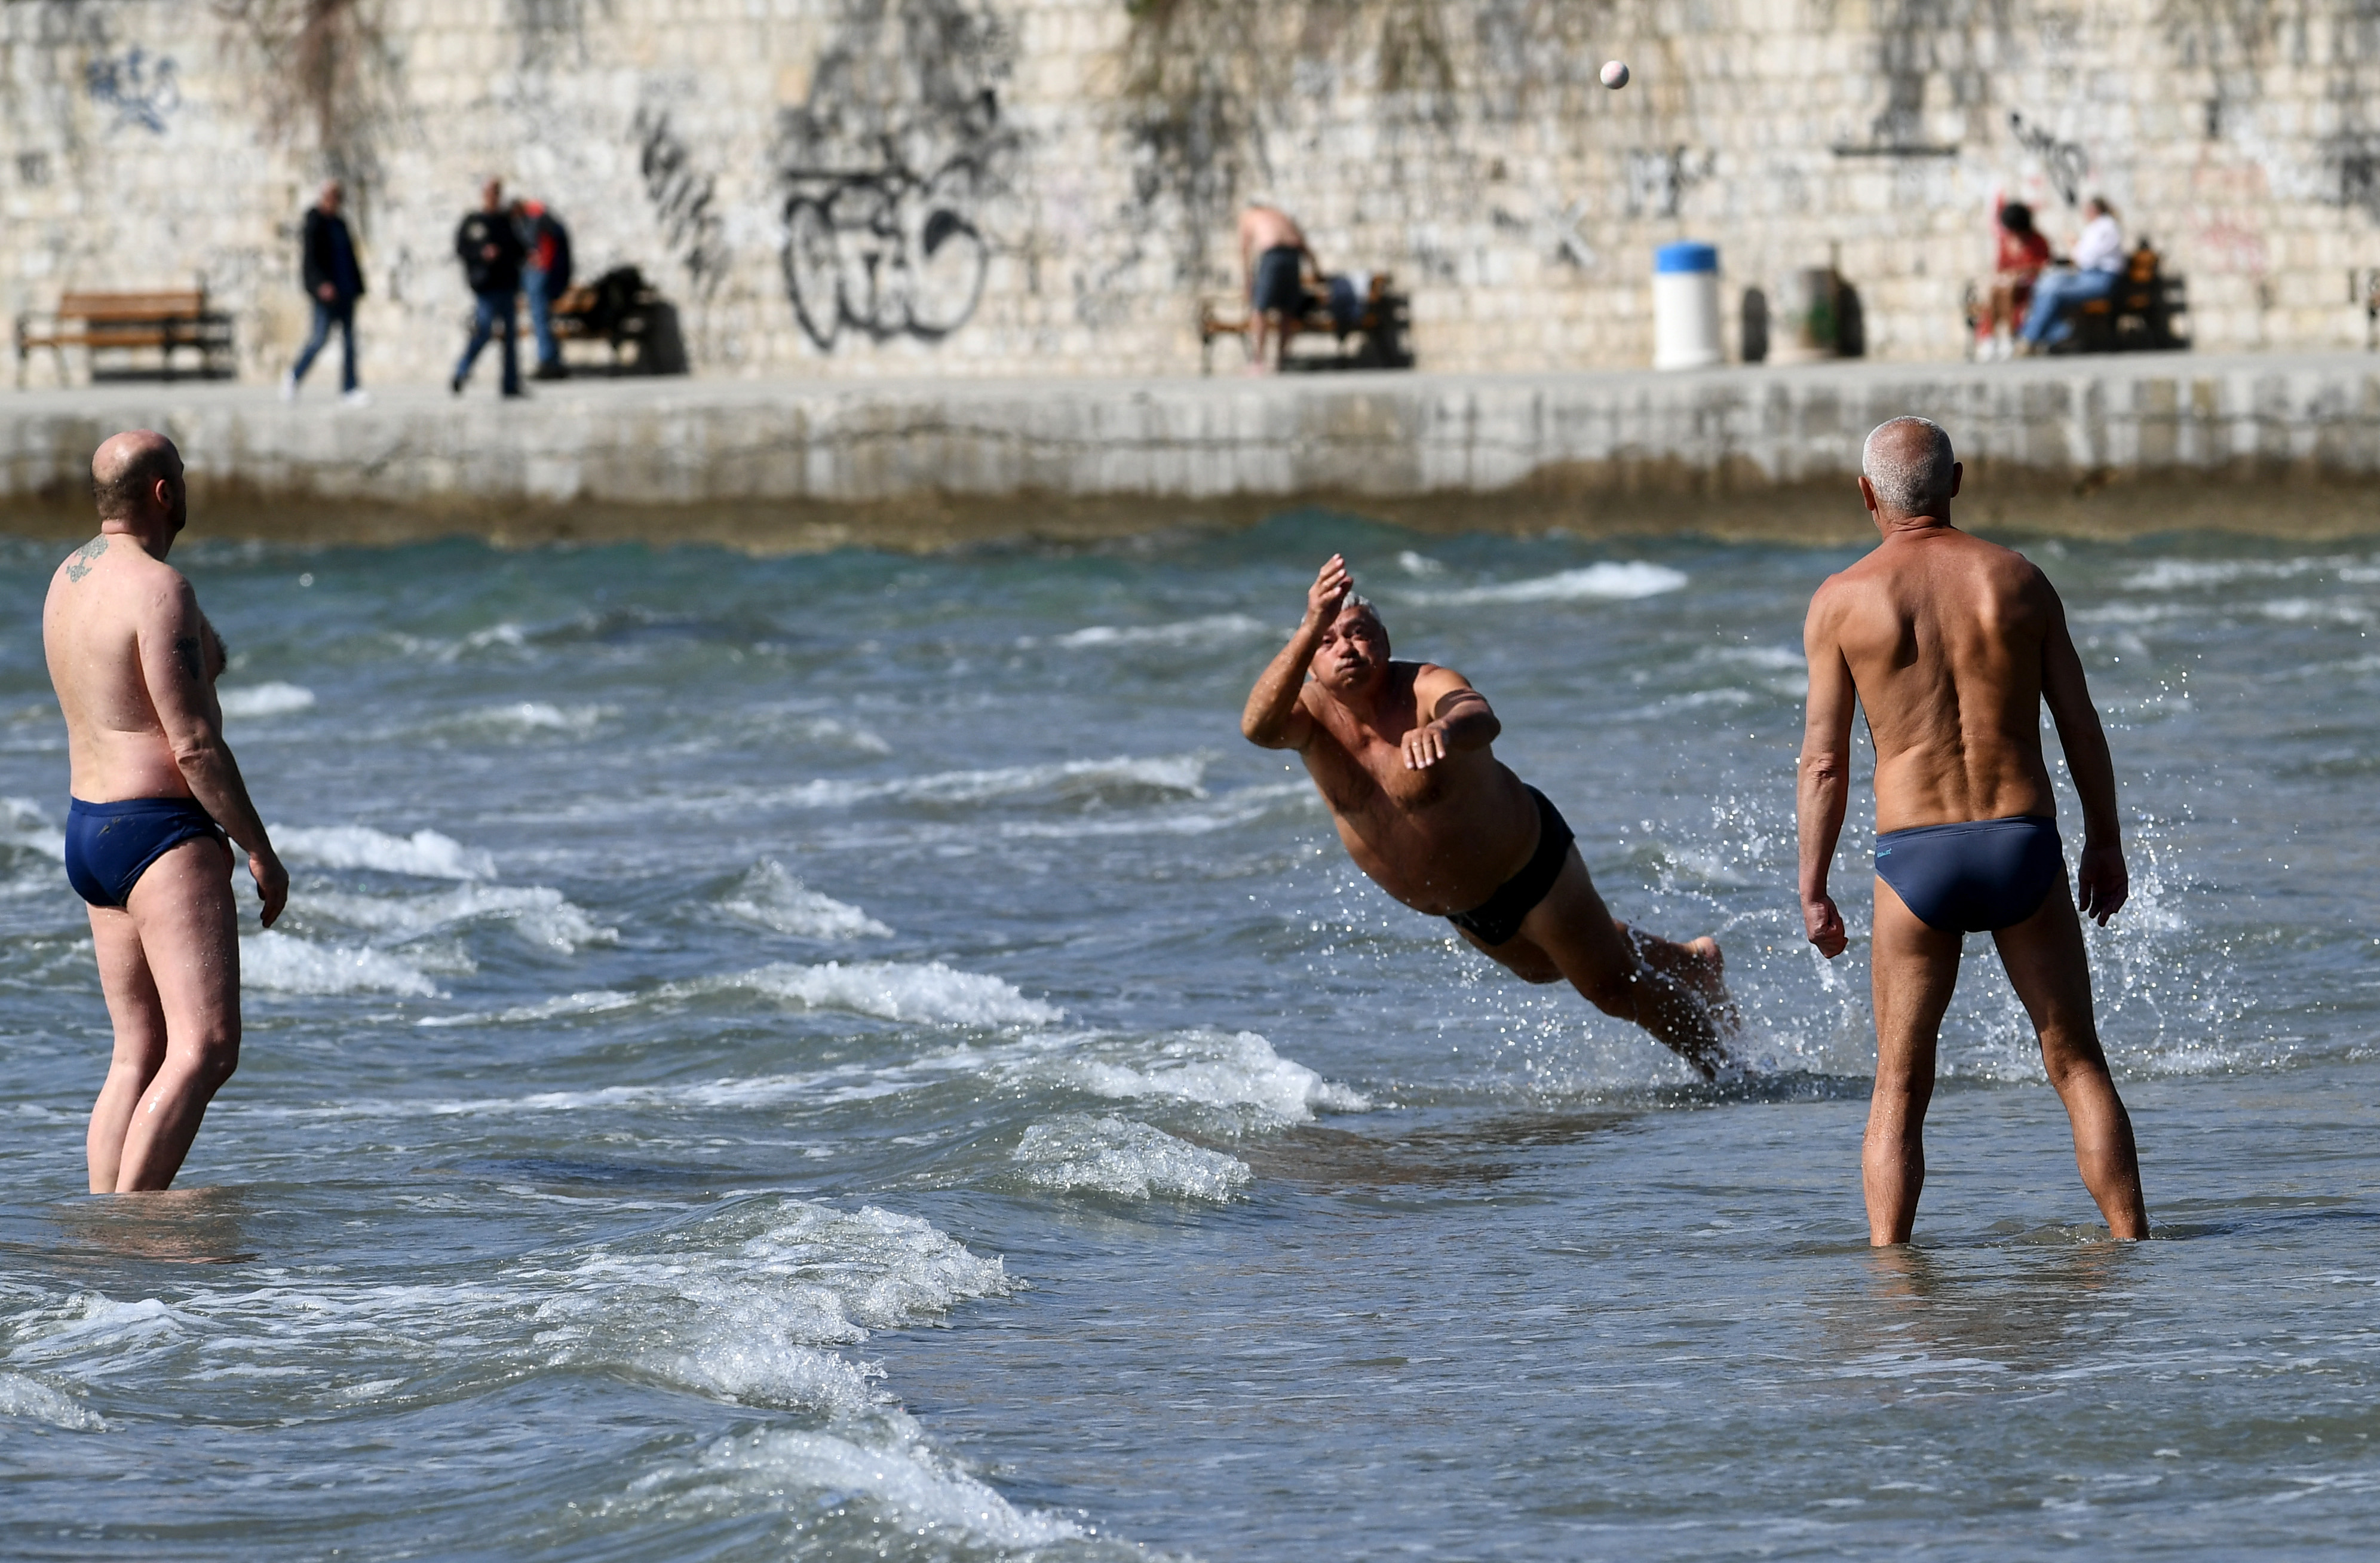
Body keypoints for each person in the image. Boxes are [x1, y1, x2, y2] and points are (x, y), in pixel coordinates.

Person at [1796, 416, 2148, 1246]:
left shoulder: (1842, 601)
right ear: (1957, 482)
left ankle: (1892, 1270)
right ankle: (2133, 1248)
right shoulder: (2017, 580)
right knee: (2076, 1063)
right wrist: (2105, 839)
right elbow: (2081, 727)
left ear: (1867, 495)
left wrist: (1813, 887)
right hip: (2022, 838)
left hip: (1916, 858)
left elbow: (1823, 764)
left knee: (1900, 1084)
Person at [1243, 556, 1736, 1077]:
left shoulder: (1422, 686)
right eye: (1327, 640)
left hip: (1528, 865)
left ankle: (1729, 1074)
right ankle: (1692, 963)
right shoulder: (1308, 722)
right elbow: (1255, 727)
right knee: (1552, 968)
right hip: (1467, 904)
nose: (1345, 647)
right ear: (1309, 660)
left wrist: (1447, 730)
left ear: (1384, 643)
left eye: (1359, 633)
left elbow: (1479, 713)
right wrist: (1308, 625)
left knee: (1611, 989)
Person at [41, 431, 290, 1194]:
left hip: (91, 829)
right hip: (158, 832)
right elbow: (194, 747)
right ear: (162, 492)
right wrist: (259, 849)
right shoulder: (159, 589)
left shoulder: (68, 578)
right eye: (180, 474)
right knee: (207, 1047)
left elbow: (191, 665)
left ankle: (101, 1234)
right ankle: (133, 1225)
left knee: (137, 1050)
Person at [283, 179, 369, 404]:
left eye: (337, 197)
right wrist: (320, 285)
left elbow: (350, 259)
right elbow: (310, 261)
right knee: (319, 339)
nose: (334, 201)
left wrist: (358, 286)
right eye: (330, 196)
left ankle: (350, 388)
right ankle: (293, 377)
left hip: (346, 292)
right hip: (326, 294)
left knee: (350, 342)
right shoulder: (314, 223)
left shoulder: (340, 224)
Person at [2017, 196, 2124, 353]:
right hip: (2090, 275)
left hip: (2102, 279)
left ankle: (2031, 338)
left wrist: (2073, 245)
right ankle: (2056, 332)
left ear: (2094, 210)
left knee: (2054, 291)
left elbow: (2086, 259)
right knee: (2046, 284)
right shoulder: (2096, 228)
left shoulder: (2106, 228)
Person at [453, 178, 526, 398]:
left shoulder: (506, 221)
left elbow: (518, 249)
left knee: (511, 338)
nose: (492, 197)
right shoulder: (474, 222)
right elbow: (462, 249)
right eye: (489, 192)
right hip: (486, 288)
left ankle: (510, 385)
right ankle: (462, 370)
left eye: (496, 192)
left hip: (507, 286)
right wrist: (482, 255)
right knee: (484, 331)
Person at [1238, 202, 1318, 373]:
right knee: (1286, 310)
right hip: (1293, 256)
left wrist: (1248, 281)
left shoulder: (1250, 216)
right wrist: (1316, 268)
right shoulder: (1279, 215)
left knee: (1259, 308)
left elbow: (1244, 248)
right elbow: (1301, 242)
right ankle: (1281, 361)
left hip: (1272, 255)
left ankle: (1258, 361)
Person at [1973, 201, 2050, 361]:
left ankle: (2008, 335)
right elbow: (2000, 266)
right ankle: (1992, 337)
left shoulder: (2037, 241)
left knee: (2007, 290)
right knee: (1994, 291)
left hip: (2028, 284)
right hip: (2007, 282)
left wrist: (2019, 273)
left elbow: (2042, 265)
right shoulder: (2006, 241)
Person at [515, 197, 574, 381]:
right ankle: (553, 361)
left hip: (539, 273)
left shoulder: (536, 218)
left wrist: (540, 265)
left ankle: (548, 361)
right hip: (544, 273)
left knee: (540, 318)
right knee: (543, 318)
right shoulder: (541, 217)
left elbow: (544, 248)